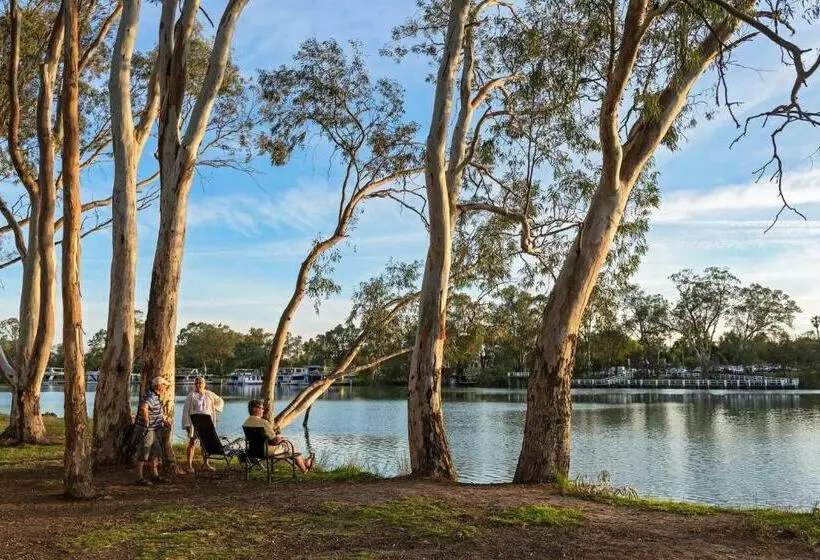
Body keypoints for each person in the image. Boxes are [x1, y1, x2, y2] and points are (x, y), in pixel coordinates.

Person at [242, 399, 314, 473]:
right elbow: (275, 441)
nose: (263, 410)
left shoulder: (246, 422)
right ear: (255, 409)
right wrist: (280, 438)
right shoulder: (263, 422)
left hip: (253, 451)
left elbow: (259, 438)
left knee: (287, 445)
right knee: (289, 445)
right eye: (262, 408)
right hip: (267, 451)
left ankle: (305, 463)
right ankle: (304, 468)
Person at [181, 376, 225, 473]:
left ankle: (206, 464)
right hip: (194, 422)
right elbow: (185, 411)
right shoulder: (191, 396)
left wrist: (215, 408)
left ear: (204, 384)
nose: (198, 385)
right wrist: (187, 425)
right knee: (192, 443)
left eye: (200, 383)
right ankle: (189, 465)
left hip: (207, 422)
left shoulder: (209, 394)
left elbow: (220, 401)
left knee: (205, 444)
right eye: (196, 383)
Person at [135, 376, 172, 485]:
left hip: (155, 429)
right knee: (144, 452)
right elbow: (143, 406)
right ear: (159, 386)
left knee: (155, 452)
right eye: (164, 385)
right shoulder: (150, 395)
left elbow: (154, 410)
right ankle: (139, 478)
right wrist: (146, 419)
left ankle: (155, 475)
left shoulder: (155, 395)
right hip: (149, 429)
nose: (165, 388)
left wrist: (163, 419)